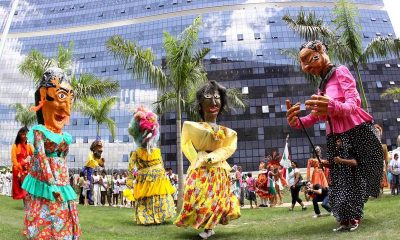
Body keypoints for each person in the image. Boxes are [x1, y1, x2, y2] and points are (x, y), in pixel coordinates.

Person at [287, 40, 383, 232]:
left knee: (353, 176)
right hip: (334, 137)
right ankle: (344, 218)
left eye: (310, 59)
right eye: (303, 63)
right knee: (338, 179)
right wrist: (295, 121)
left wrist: (333, 106)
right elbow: (315, 117)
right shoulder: (321, 87)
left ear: (321, 52)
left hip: (354, 131)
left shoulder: (341, 72)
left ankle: (354, 216)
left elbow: (354, 103)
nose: (307, 67)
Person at [175, 81, 240, 239]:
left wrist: (214, 157)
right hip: (201, 169)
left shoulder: (228, 132)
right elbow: (185, 144)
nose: (214, 101)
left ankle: (209, 228)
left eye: (217, 97)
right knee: (198, 198)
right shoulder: (191, 126)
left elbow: (229, 148)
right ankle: (208, 225)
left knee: (215, 199)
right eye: (208, 97)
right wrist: (196, 159)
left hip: (219, 169)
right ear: (200, 103)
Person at [21, 67, 80, 239]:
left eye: (70, 99)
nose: (66, 108)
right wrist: (52, 184)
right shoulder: (39, 132)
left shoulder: (64, 136)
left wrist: (64, 181)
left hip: (62, 178)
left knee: (63, 210)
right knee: (47, 210)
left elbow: (63, 158)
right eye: (61, 96)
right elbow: (40, 158)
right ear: (43, 96)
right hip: (47, 180)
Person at [126, 106, 175, 225]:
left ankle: (149, 217)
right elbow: (161, 165)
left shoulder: (138, 152)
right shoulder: (155, 151)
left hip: (150, 178)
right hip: (158, 177)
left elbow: (131, 168)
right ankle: (159, 216)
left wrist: (129, 183)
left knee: (148, 197)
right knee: (156, 196)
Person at [11, 126, 33, 204]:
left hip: (27, 170)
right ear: (20, 134)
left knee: (27, 190)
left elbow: (35, 154)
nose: (26, 136)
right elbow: (14, 161)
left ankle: (28, 207)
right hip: (19, 171)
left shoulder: (29, 146)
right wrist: (23, 163)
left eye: (27, 135)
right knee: (24, 190)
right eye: (24, 134)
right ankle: (27, 207)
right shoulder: (15, 146)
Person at [82, 140, 104, 205]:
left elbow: (101, 165)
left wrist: (102, 162)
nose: (100, 149)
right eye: (98, 147)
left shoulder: (97, 157)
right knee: (88, 185)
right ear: (94, 148)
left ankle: (89, 200)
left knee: (90, 186)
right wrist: (98, 163)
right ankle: (87, 199)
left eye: (101, 147)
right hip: (87, 169)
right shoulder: (91, 155)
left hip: (91, 170)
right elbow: (91, 161)